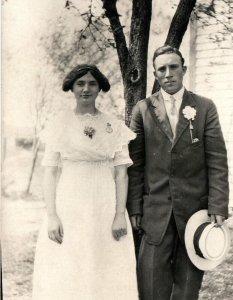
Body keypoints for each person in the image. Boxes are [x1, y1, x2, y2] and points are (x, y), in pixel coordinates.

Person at [127, 45, 229, 300]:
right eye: (162, 69)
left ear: (184, 69)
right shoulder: (142, 110)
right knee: (150, 282)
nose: (168, 73)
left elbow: (217, 160)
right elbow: (135, 165)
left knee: (187, 286)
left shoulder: (205, 108)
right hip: (156, 210)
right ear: (155, 75)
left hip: (194, 212)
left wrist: (217, 205)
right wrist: (135, 208)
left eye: (174, 67)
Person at [32, 64, 138, 299]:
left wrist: (120, 213)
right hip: (70, 204)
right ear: (71, 87)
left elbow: (122, 174)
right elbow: (49, 173)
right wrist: (52, 215)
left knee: (105, 264)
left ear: (100, 87)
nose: (86, 89)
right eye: (80, 83)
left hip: (104, 205)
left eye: (92, 83)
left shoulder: (114, 126)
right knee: (69, 266)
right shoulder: (59, 124)